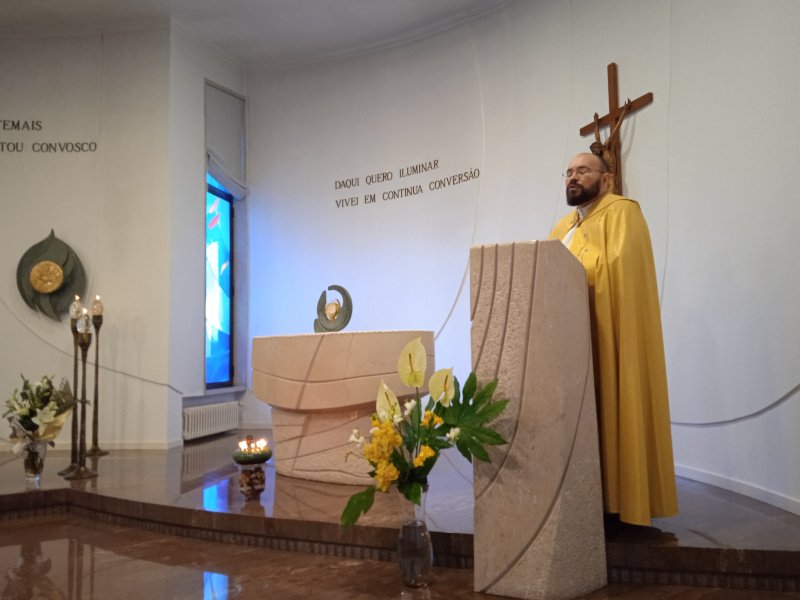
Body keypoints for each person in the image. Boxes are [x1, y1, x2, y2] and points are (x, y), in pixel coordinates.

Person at [550, 152, 678, 527]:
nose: (573, 178)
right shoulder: (563, 227)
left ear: (606, 179)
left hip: (607, 337)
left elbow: (621, 278)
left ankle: (620, 499)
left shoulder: (623, 213)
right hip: (567, 343)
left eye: (583, 171)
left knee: (613, 404)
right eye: (569, 173)